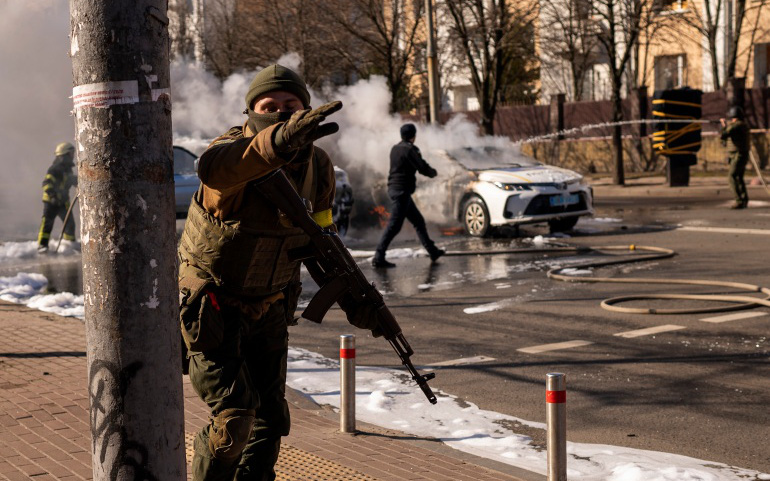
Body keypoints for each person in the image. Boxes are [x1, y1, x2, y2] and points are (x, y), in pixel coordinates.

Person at [177, 64, 378, 481]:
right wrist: (277, 141)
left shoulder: (319, 167)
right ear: (251, 112)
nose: (282, 114)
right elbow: (213, 171)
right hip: (214, 308)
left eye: (292, 106)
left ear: (307, 108)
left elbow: (322, 240)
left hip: (269, 306)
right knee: (235, 423)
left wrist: (356, 299)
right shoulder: (230, 154)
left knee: (270, 421)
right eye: (270, 107)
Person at [372, 123, 445, 268]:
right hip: (402, 192)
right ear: (413, 135)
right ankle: (378, 257)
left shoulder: (395, 148)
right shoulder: (410, 149)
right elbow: (422, 167)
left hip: (395, 189)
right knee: (394, 226)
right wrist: (434, 173)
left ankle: (433, 251)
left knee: (418, 221)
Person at [37, 142, 77, 253]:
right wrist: (53, 196)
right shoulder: (54, 169)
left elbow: (69, 180)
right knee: (47, 224)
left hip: (63, 202)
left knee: (70, 224)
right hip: (51, 201)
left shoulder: (67, 169)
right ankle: (42, 246)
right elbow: (46, 183)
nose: (73, 155)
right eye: (71, 153)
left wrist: (79, 182)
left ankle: (69, 245)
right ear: (65, 154)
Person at [720, 106, 750, 209]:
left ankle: (739, 200)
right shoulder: (739, 125)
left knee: (731, 176)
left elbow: (724, 134)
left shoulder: (737, 125)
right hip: (736, 154)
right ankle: (743, 199)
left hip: (738, 154)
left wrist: (724, 125)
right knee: (738, 177)